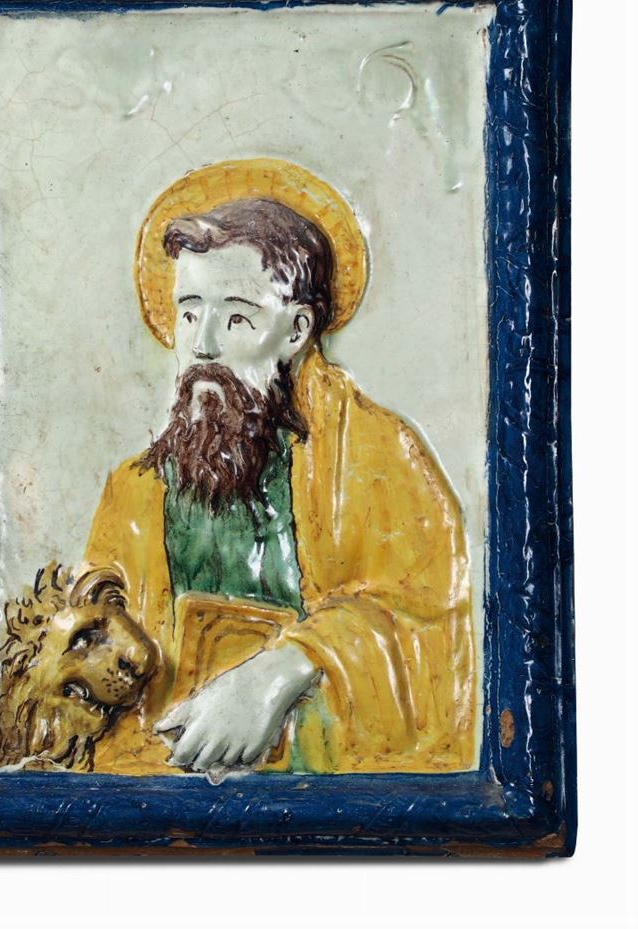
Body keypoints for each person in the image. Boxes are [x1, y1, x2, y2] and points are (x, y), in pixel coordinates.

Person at [85, 159, 475, 776]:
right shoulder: (133, 494)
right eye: (189, 312)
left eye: (237, 317)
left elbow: (429, 627)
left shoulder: (378, 461)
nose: (203, 345)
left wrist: (284, 670)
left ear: (296, 330)